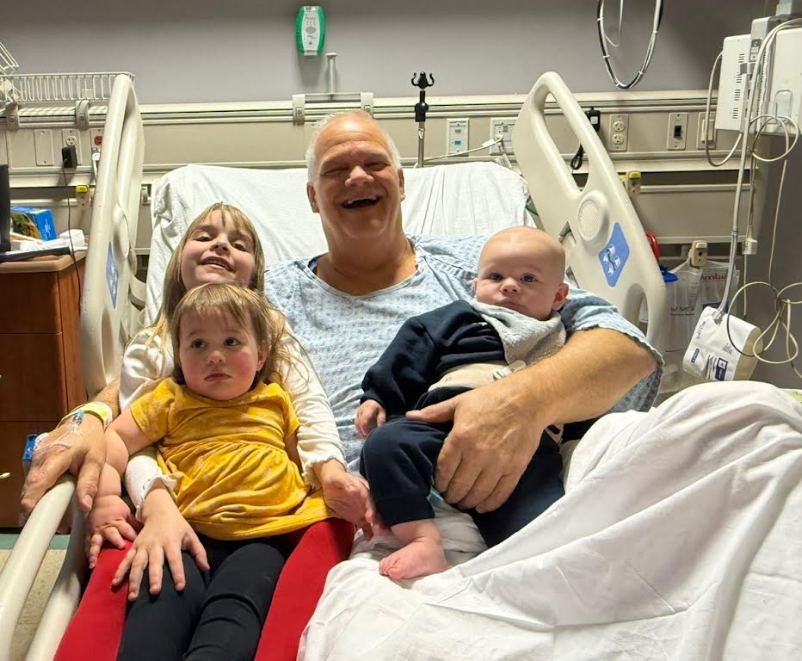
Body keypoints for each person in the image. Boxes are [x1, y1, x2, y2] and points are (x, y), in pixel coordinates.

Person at [27, 111, 661, 659]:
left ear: (401, 181)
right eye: (335, 170)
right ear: (310, 197)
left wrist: (520, 401)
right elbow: (166, 369)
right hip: (359, 525)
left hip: (508, 480)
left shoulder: (485, 269)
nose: (357, 177)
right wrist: (87, 415)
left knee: (739, 417)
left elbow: (627, 351)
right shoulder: (264, 304)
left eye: (373, 164)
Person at [97, 281, 350, 660]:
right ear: (179, 358)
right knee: (156, 611)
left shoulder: (276, 400)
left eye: (231, 342)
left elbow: (308, 456)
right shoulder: (169, 399)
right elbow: (115, 440)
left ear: (261, 355)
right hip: (183, 531)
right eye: (198, 344)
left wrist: (339, 483)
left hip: (264, 539)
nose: (215, 356)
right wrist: (103, 498)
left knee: (234, 620)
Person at [356, 226, 570, 579]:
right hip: (439, 428)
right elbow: (409, 353)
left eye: (529, 278)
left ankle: (528, 566)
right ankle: (422, 541)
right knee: (384, 445)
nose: (510, 285)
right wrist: (378, 397)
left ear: (559, 296)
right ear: (475, 284)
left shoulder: (566, 337)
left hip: (525, 445)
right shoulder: (458, 319)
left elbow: (578, 394)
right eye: (495, 276)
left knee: (541, 534)